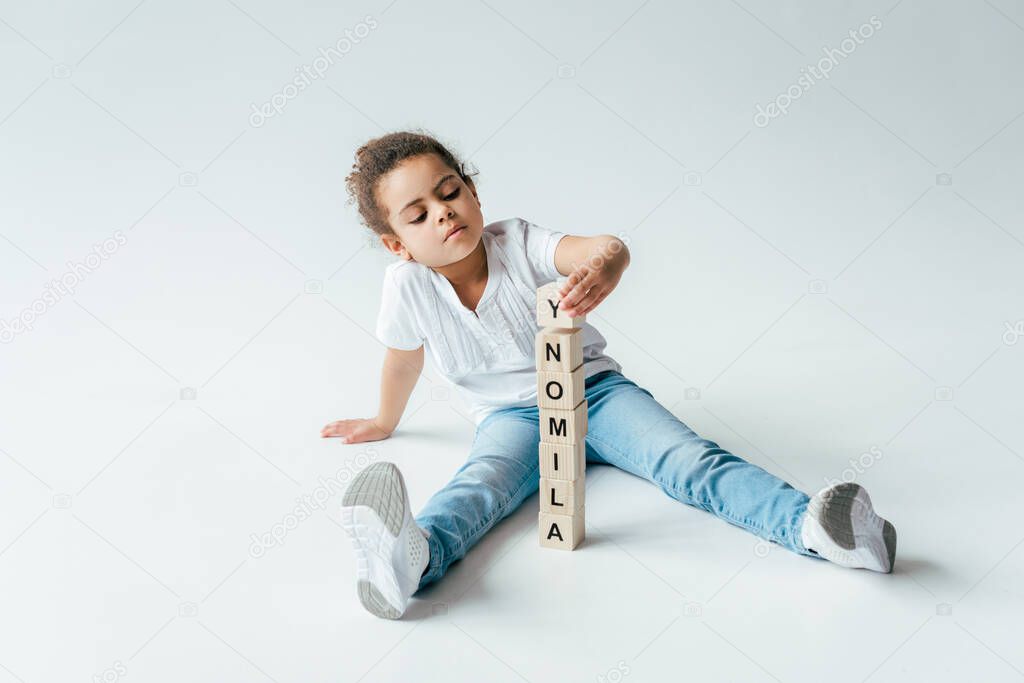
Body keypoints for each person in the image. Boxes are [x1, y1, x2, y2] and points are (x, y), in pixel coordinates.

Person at [323, 131, 897, 620]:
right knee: (481, 485)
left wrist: (607, 265)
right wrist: (382, 419)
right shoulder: (406, 288)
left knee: (686, 459)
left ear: (472, 192)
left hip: (597, 392)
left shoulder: (518, 242)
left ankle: (816, 528)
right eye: (419, 214)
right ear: (397, 245)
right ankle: (412, 560)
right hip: (511, 418)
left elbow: (604, 246)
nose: (443, 212)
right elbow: (404, 358)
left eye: (450, 192)